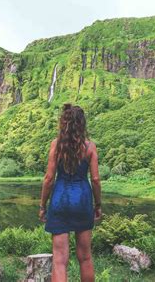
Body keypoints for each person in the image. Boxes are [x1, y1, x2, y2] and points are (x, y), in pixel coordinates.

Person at [39, 103, 102, 282]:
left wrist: (42, 206)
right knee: (85, 257)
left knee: (59, 260)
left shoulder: (56, 145)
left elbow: (49, 179)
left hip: (60, 200)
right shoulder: (90, 147)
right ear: (82, 124)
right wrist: (98, 205)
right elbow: (96, 180)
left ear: (64, 123)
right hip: (82, 201)